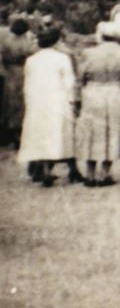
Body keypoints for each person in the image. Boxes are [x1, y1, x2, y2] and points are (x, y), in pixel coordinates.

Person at [76, 22, 120, 187]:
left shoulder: (88, 53)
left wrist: (77, 98)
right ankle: (104, 173)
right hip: (115, 92)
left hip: (93, 92)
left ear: (100, 35)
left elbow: (80, 79)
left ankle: (89, 174)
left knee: (91, 132)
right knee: (112, 132)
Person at [17, 25, 76, 186]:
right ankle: (71, 169)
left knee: (40, 134)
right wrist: (71, 100)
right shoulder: (62, 58)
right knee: (60, 133)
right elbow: (69, 82)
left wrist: (29, 101)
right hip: (57, 100)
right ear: (56, 41)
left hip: (37, 101)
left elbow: (28, 84)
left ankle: (44, 169)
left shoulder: (31, 60)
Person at [1, 17, 36, 146]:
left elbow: (3, 57)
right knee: (21, 102)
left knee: (9, 102)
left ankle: (9, 132)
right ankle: (19, 132)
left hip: (10, 72)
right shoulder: (27, 42)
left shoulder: (7, 41)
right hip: (23, 71)